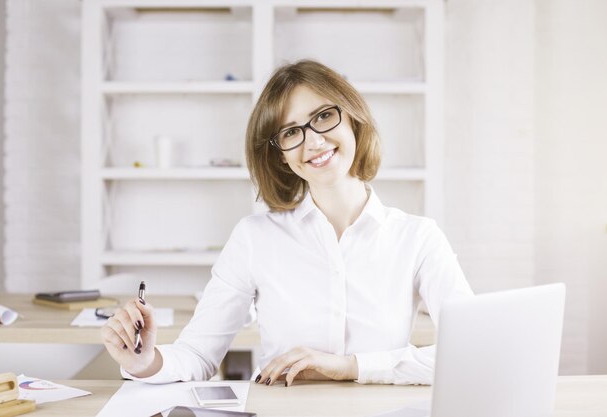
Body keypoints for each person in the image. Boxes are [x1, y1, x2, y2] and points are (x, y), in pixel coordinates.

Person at [101, 60, 473, 387]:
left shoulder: (418, 237)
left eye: (324, 116)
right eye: (291, 132)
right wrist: (145, 361)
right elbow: (198, 355)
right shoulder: (255, 237)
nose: (313, 140)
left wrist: (350, 367)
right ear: (280, 157)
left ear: (354, 119)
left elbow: (474, 353)